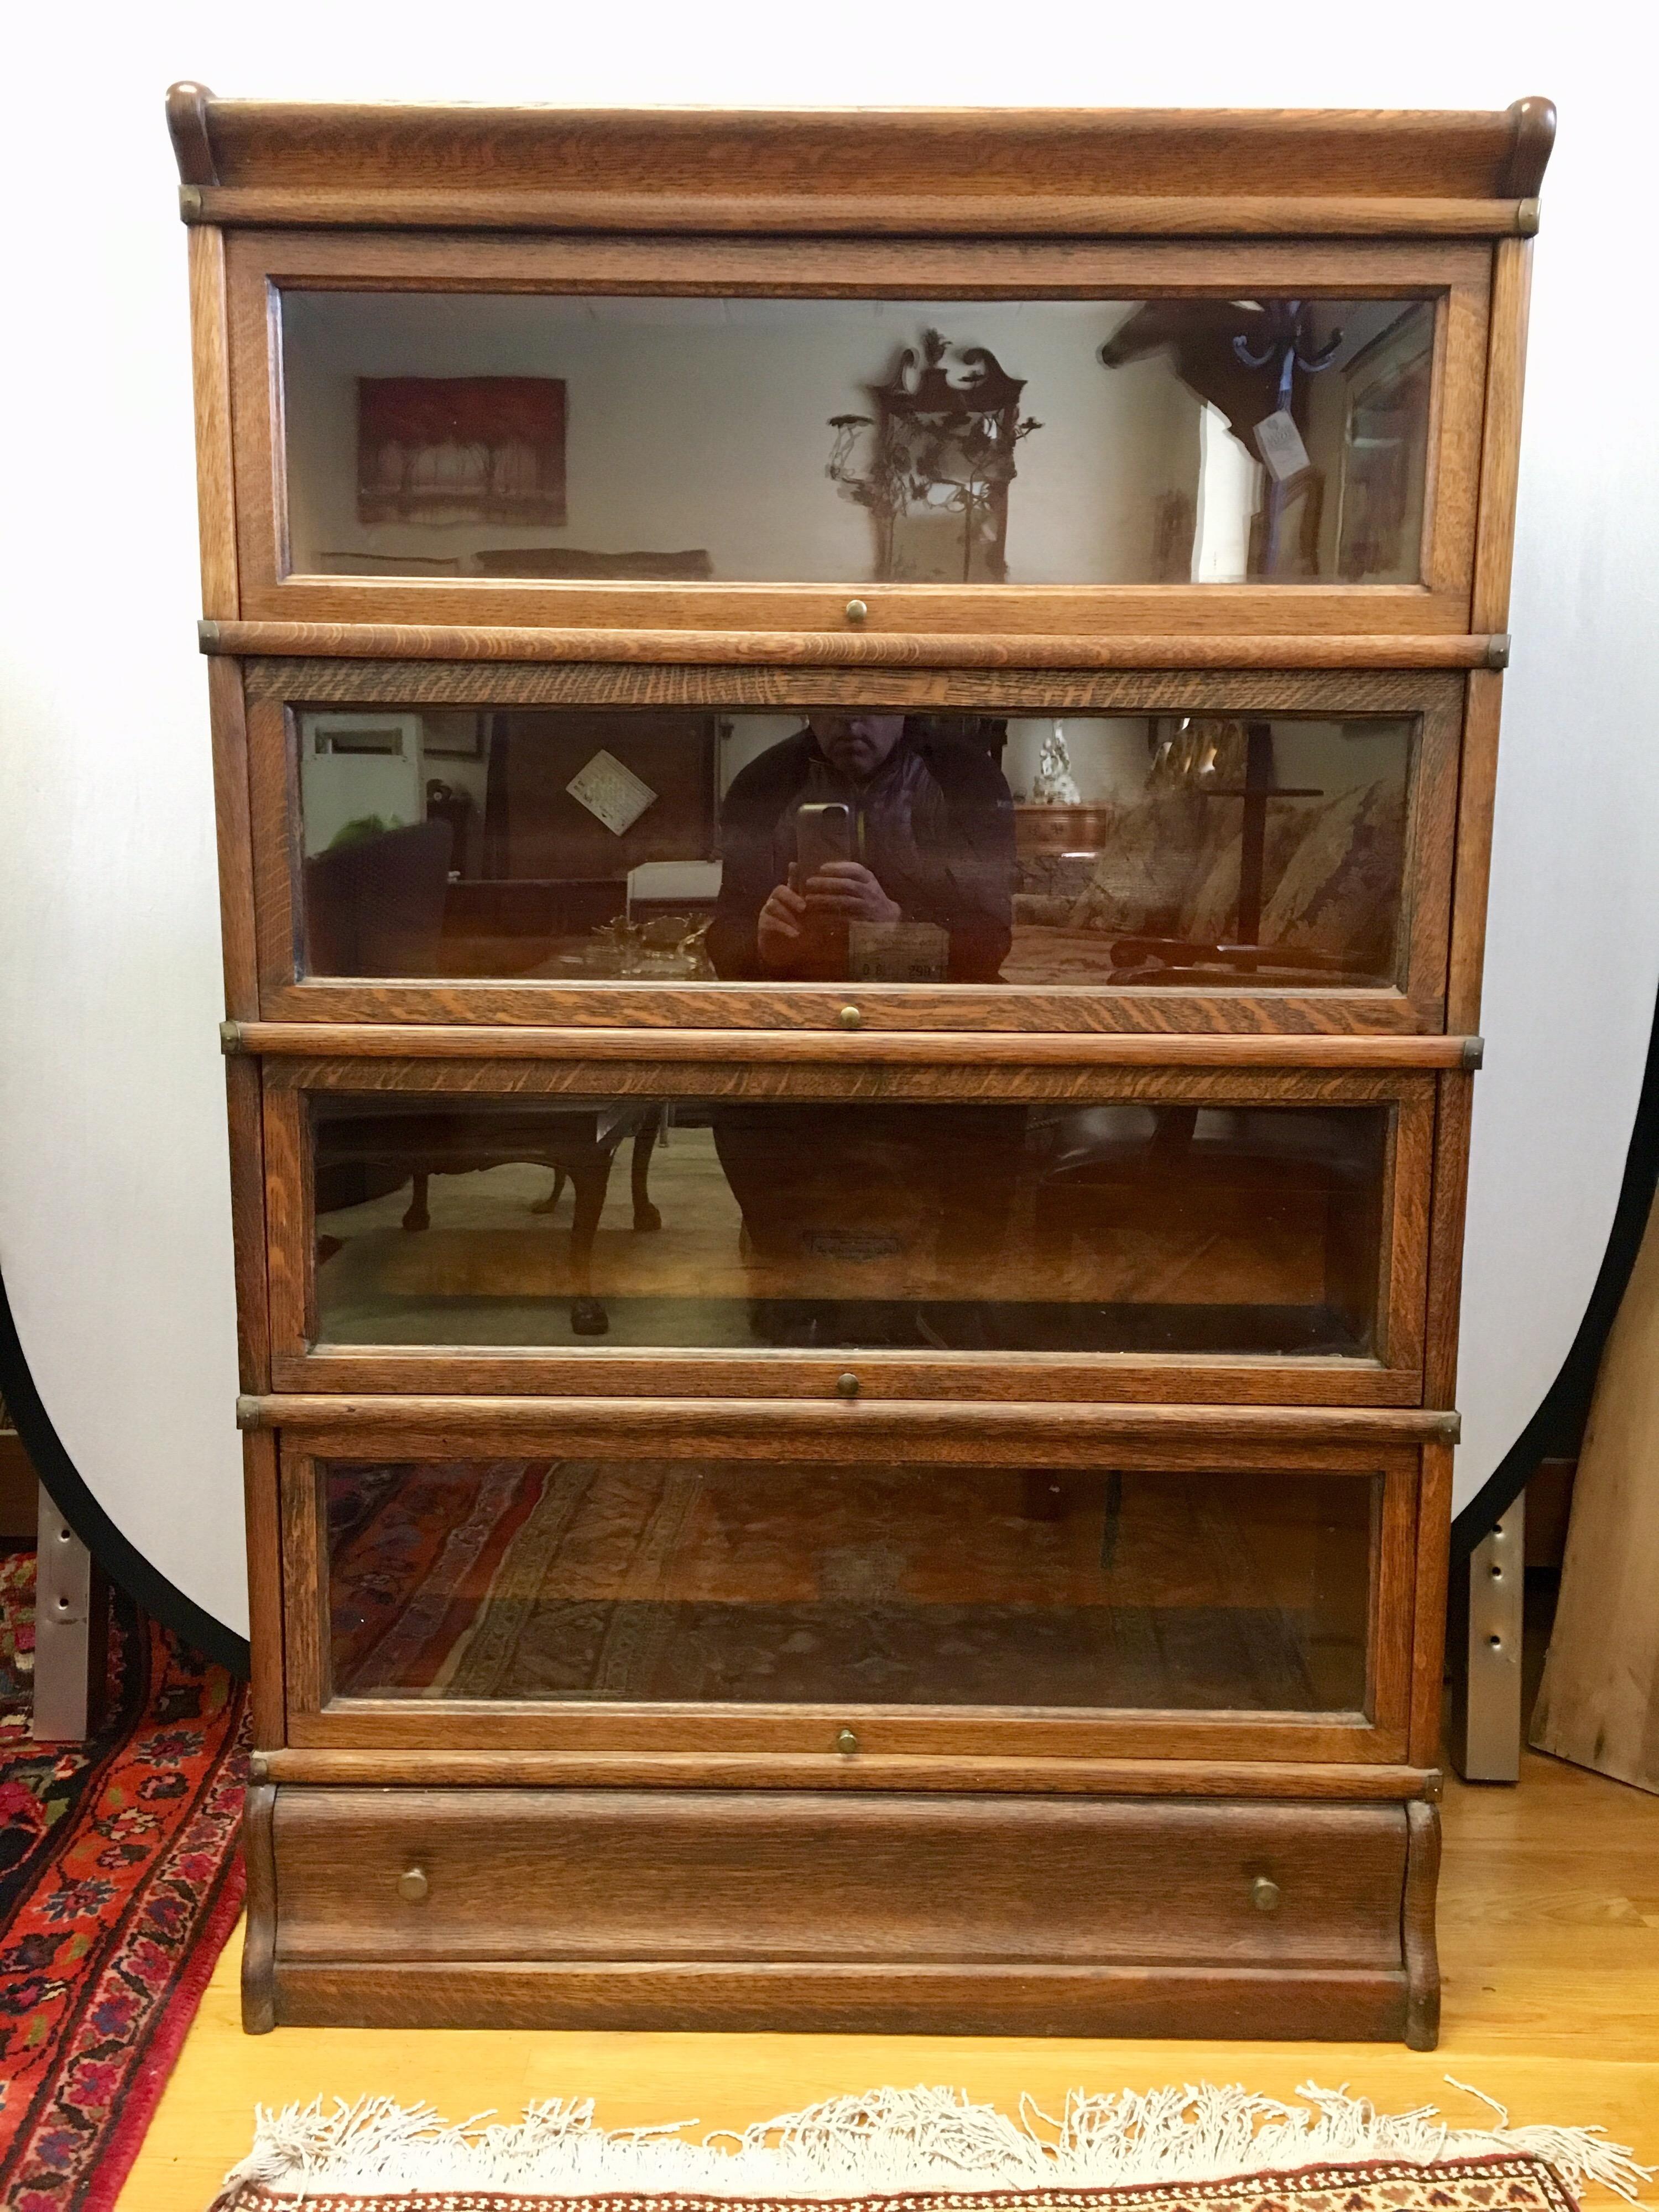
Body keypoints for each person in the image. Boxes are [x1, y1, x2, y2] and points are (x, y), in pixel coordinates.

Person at [705, 712, 1015, 983]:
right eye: (832, 702)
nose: (850, 722)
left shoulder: (967, 778)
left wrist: (896, 927)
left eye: (868, 702)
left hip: (922, 1006)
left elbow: (991, 945)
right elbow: (725, 939)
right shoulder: (761, 783)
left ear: (901, 703)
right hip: (808, 1003)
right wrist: (763, 949)